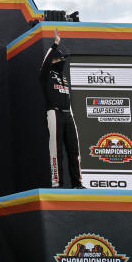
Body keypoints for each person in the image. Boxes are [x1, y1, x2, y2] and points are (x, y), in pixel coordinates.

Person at [40, 29, 83, 188]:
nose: (61, 61)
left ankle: (77, 183)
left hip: (67, 113)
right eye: (59, 58)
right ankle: (56, 183)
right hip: (54, 112)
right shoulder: (46, 75)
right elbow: (46, 61)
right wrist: (55, 44)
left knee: (74, 149)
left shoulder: (64, 77)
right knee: (56, 151)